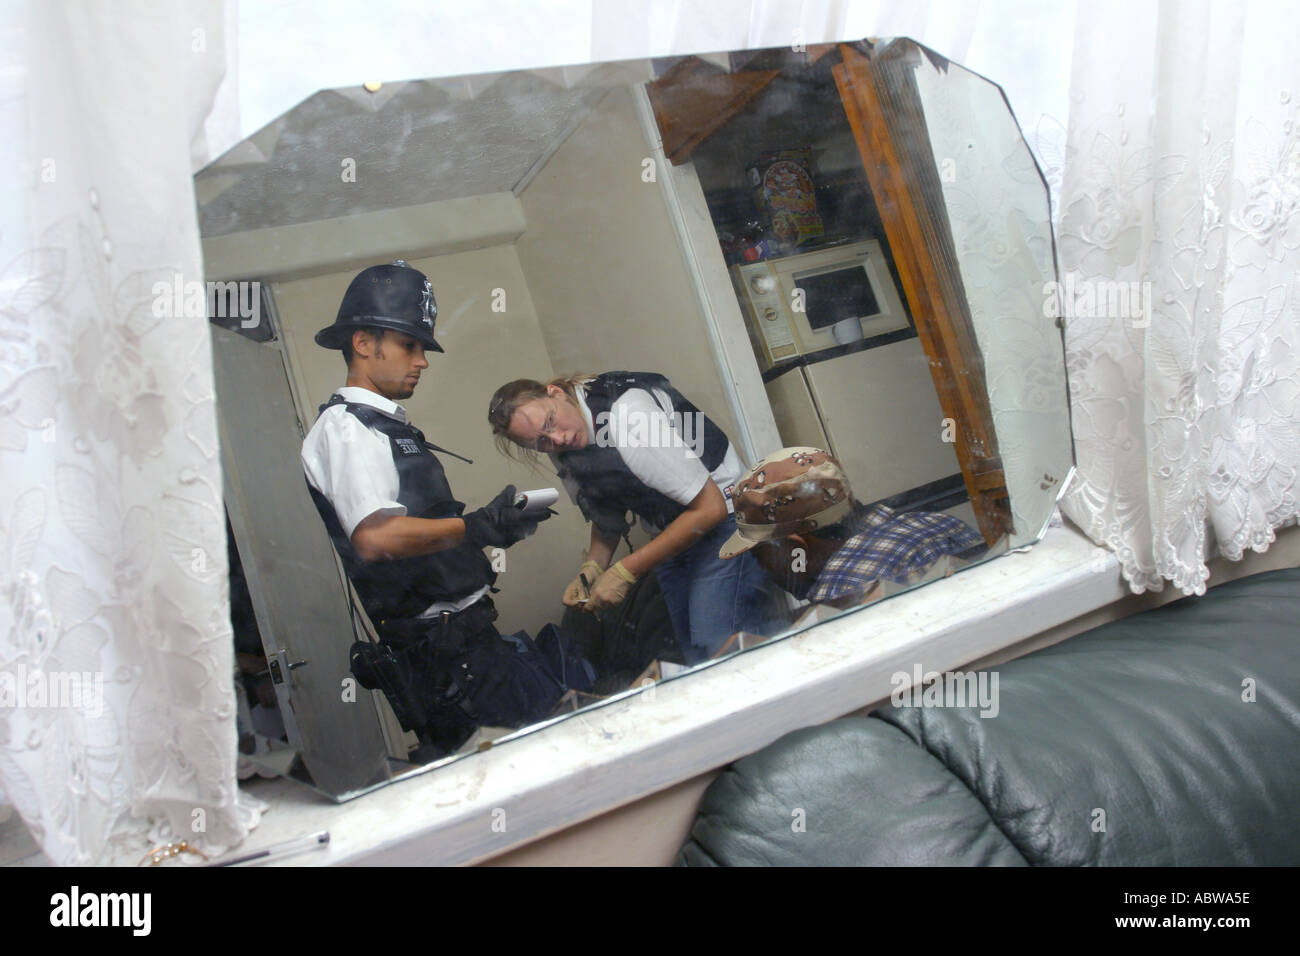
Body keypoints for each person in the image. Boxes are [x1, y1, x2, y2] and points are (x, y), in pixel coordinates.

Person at [302, 260, 560, 758]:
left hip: (468, 647)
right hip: (445, 662)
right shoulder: (347, 429)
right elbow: (375, 539)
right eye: (409, 345)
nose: (421, 360)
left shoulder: (385, 427)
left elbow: (424, 531)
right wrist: (475, 526)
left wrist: (491, 527)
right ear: (362, 343)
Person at [487, 371, 777, 664]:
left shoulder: (627, 416)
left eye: (550, 423)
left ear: (555, 393)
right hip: (675, 529)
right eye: (540, 443)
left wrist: (625, 571)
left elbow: (710, 508)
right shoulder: (560, 441)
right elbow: (607, 513)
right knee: (691, 651)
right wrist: (592, 569)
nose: (558, 438)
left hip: (727, 513)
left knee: (719, 644)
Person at [718, 446, 990, 608]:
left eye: (758, 554)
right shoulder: (936, 523)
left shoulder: (841, 594)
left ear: (795, 547)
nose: (762, 568)